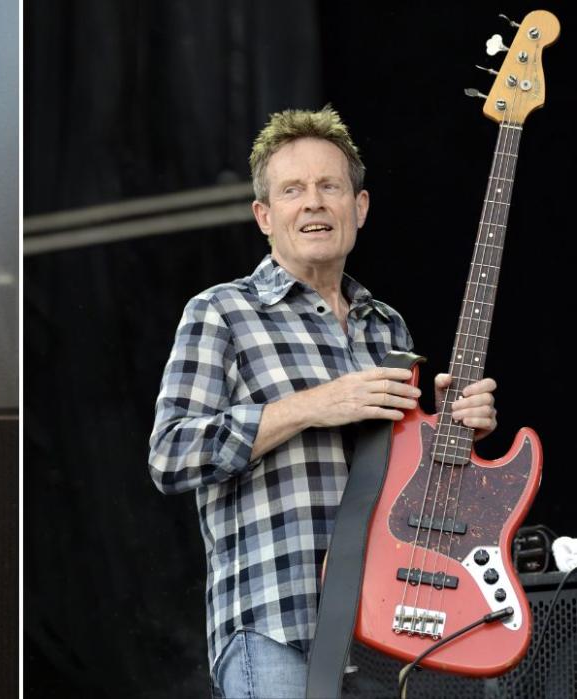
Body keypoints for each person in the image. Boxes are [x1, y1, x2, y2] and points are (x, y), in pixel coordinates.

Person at [147, 106, 499, 699]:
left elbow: (408, 487)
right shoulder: (221, 313)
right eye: (292, 190)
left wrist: (453, 433)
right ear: (265, 216)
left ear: (358, 208)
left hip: (391, 629)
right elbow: (170, 454)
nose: (313, 202)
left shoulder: (386, 327)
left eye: (329, 186)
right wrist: (314, 405)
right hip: (280, 627)